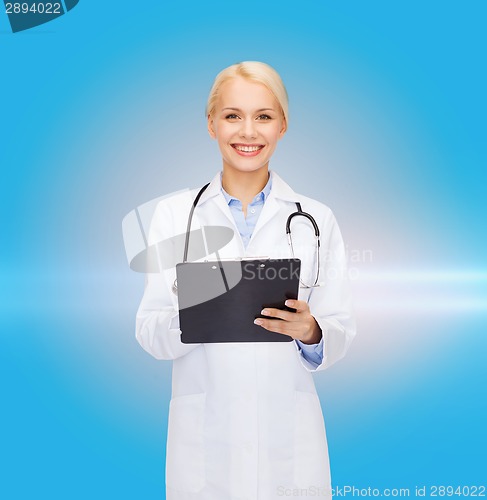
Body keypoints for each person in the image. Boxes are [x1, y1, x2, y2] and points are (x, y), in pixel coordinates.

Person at [136, 61, 356, 500]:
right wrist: (197, 314)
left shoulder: (314, 218)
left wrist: (311, 331)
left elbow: (339, 326)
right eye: (233, 115)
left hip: (288, 439)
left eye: (264, 116)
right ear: (212, 124)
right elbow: (149, 330)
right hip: (205, 441)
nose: (248, 132)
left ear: (283, 126)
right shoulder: (175, 215)